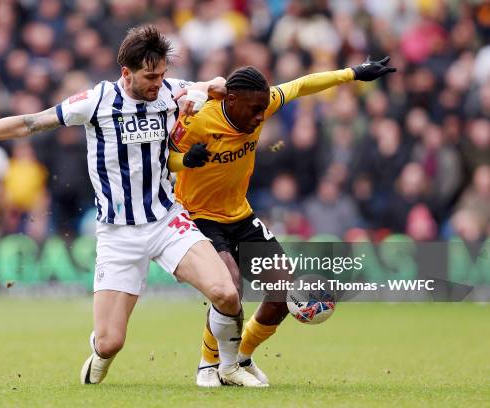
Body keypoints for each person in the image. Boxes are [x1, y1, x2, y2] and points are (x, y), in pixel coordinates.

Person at [0, 25, 265, 387]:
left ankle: (226, 367)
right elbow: (28, 123)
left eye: (162, 74)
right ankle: (99, 353)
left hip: (167, 220)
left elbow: (213, 84)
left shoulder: (169, 90)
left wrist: (223, 85)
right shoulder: (95, 101)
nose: (157, 83)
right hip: (118, 234)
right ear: (126, 73)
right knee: (111, 341)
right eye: (150, 77)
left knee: (226, 292)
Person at [167, 58, 396, 386]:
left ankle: (241, 357)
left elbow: (302, 84)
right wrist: (185, 160)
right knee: (229, 286)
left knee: (283, 295)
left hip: (240, 215)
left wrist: (355, 73)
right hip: (199, 216)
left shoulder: (263, 102)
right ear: (231, 100)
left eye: (264, 107)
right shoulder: (199, 119)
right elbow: (164, 157)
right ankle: (208, 364)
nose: (262, 116)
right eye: (255, 109)